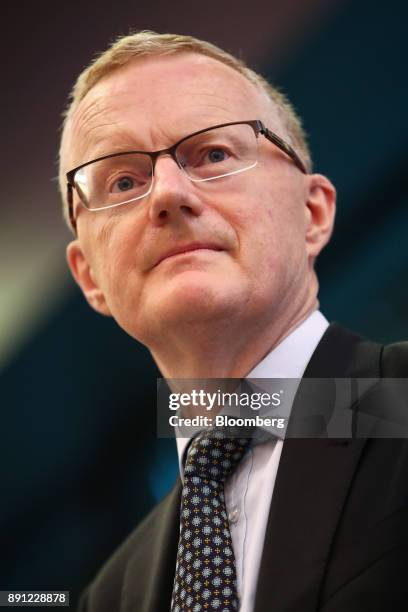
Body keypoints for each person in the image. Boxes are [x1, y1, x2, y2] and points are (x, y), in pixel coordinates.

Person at [59, 31, 408, 612]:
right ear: (90, 277)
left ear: (312, 212)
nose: (168, 195)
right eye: (123, 181)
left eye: (213, 154)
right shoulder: (105, 599)